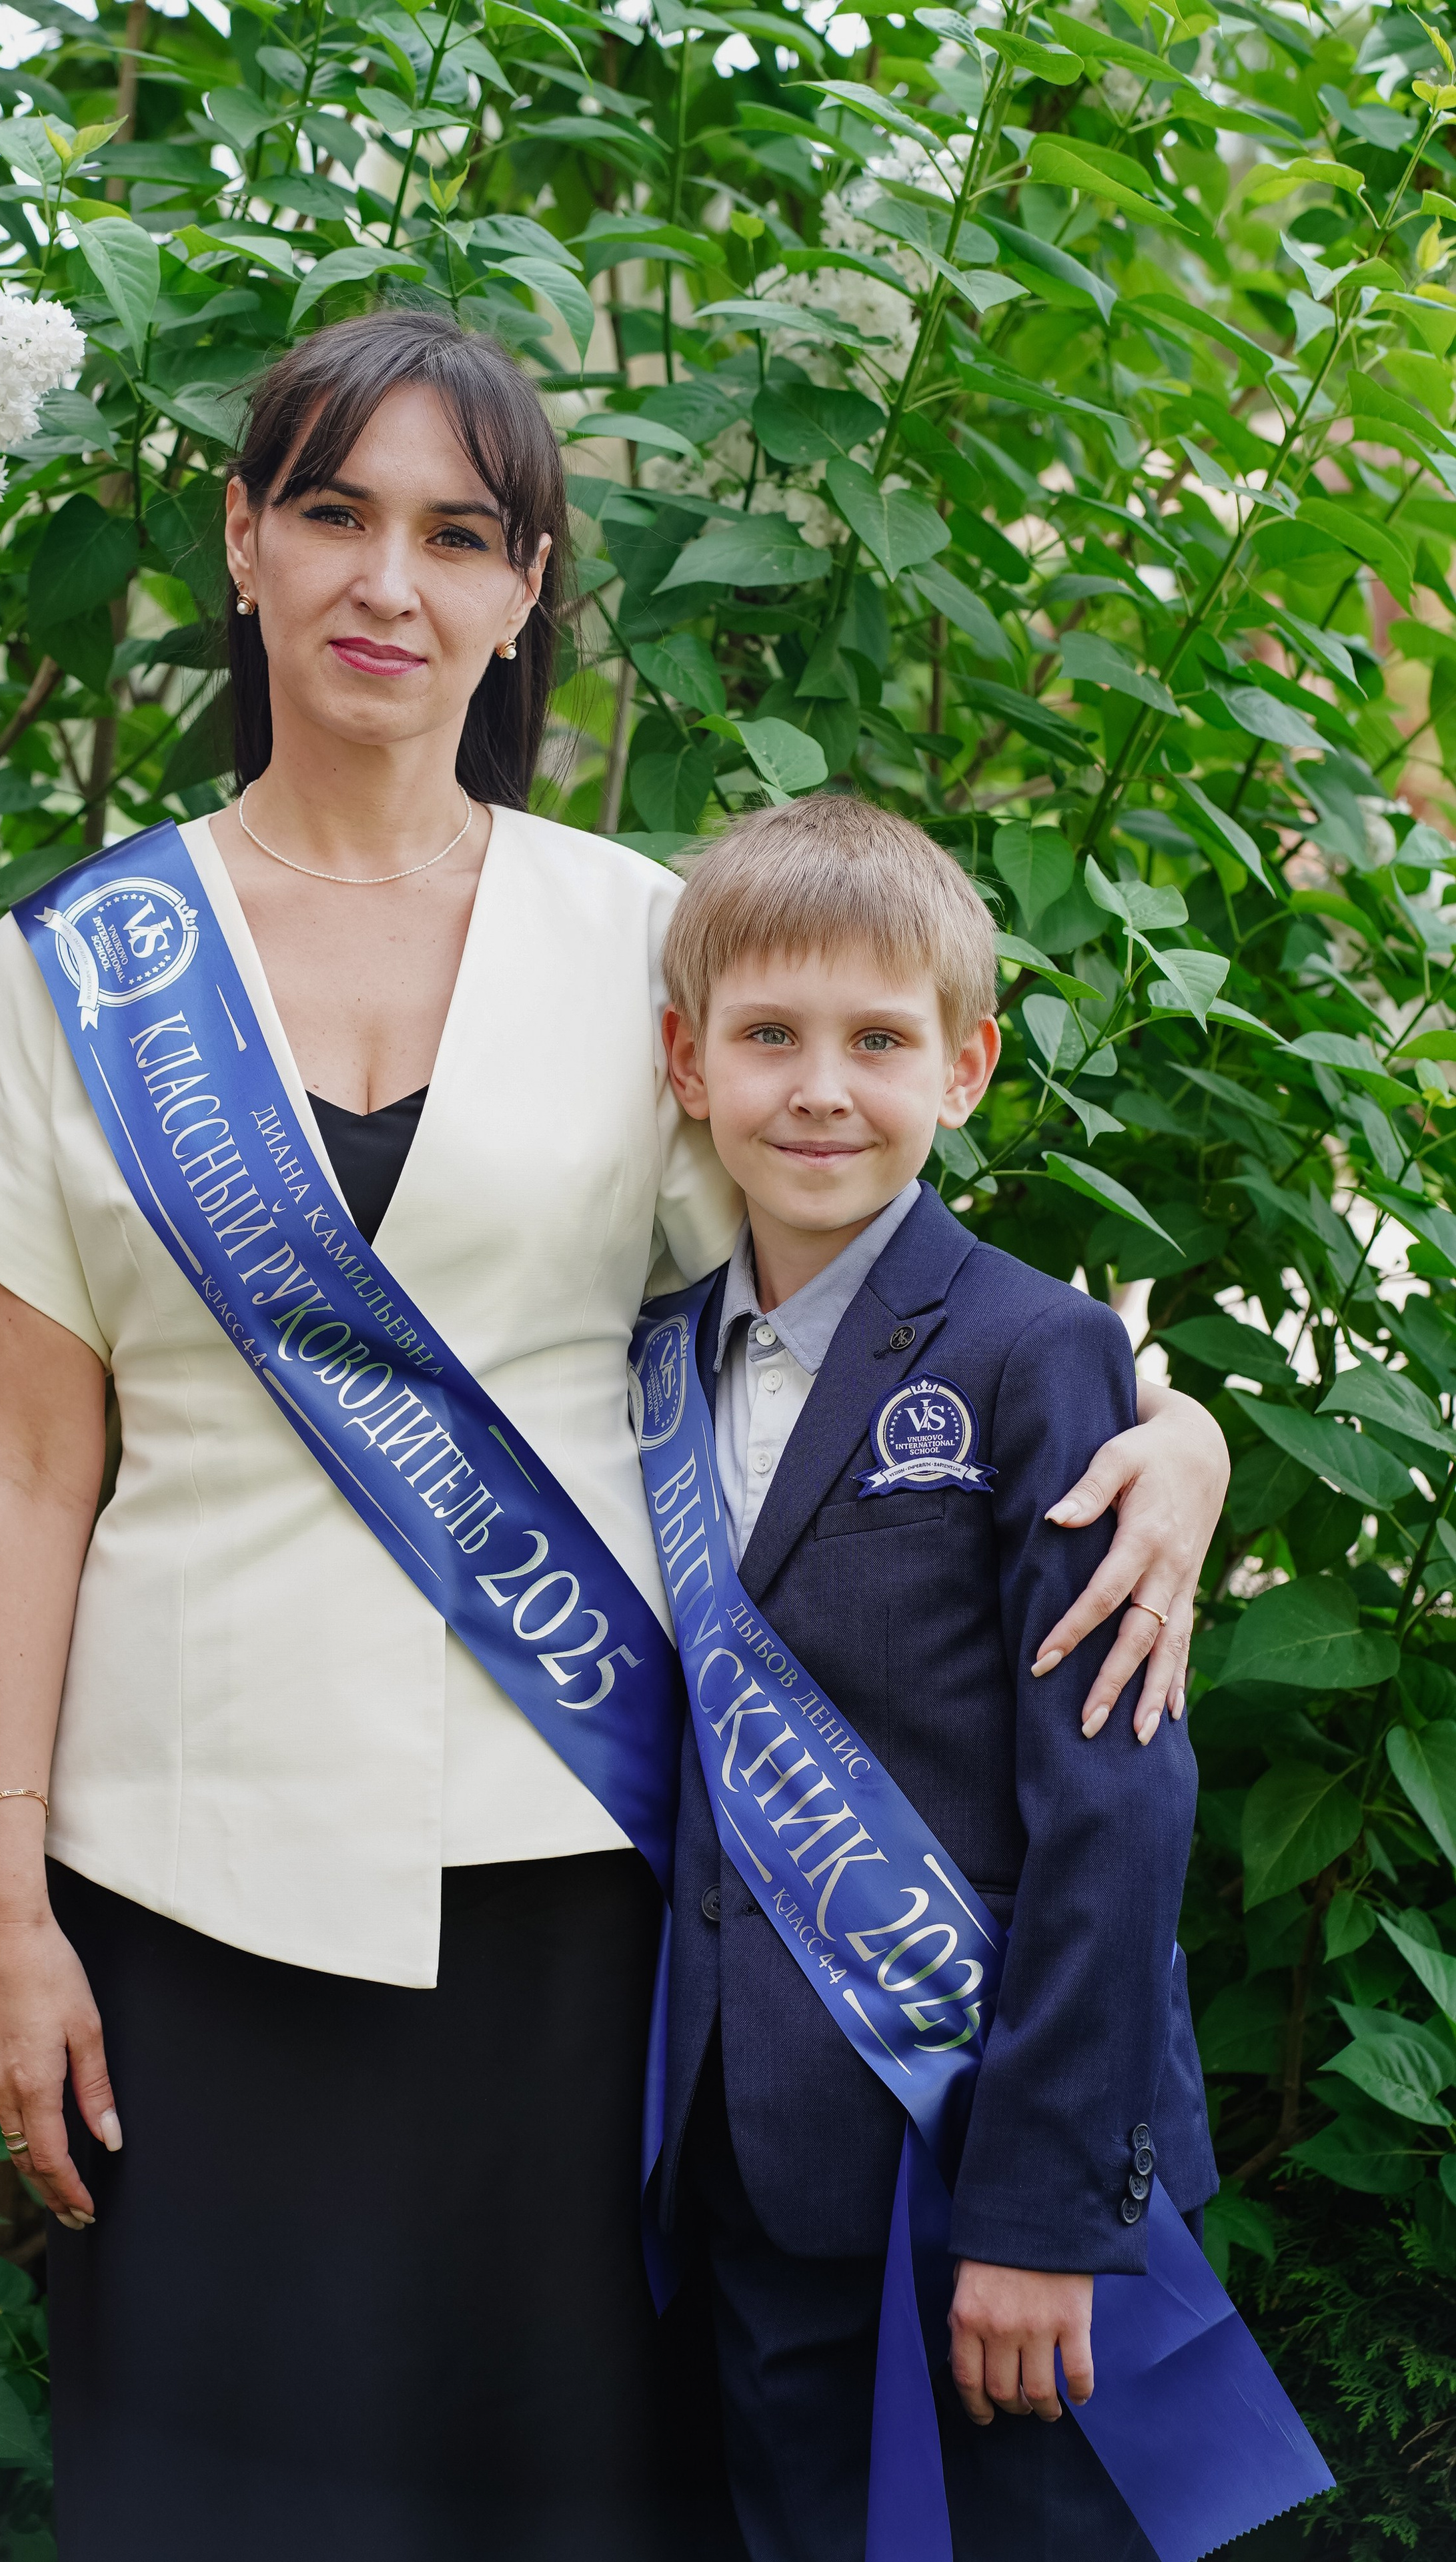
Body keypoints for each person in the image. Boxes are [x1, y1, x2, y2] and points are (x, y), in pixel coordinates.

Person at [0, 309, 1226, 2560]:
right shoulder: (74, 965)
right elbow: (20, 1463)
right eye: (336, 515)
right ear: (246, 545)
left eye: (458, 534)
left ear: (525, 583)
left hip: (597, 1894)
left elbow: (873, 1296)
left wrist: (1179, 1427)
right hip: (184, 1890)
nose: (393, 581)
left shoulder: (648, 946)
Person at [650, 797, 1219, 2562]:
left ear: (965, 1068)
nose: (823, 1088)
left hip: (989, 2135)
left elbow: (1118, 1798)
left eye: (880, 1041)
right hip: (753, 2152)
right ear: (688, 1064)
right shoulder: (654, 1365)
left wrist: (1046, 2214)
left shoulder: (1036, 1351)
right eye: (770, 1037)